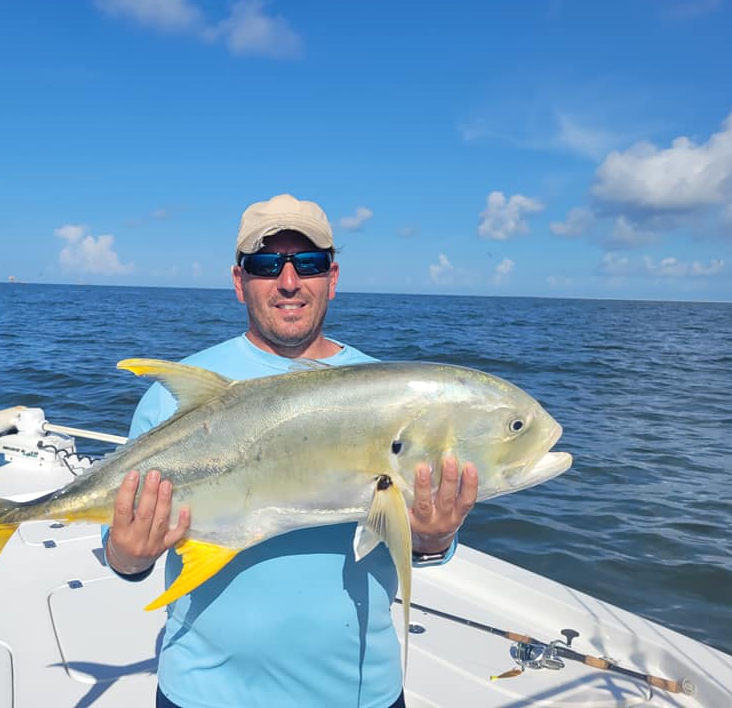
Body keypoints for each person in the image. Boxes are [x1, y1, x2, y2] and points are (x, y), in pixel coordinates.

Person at [102, 194, 479, 708]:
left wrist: (435, 536)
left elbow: (420, 541)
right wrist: (128, 552)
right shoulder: (171, 397)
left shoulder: (389, 395)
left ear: (333, 277)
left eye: (308, 263)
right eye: (264, 264)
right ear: (239, 282)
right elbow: (120, 555)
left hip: (358, 694)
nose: (288, 281)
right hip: (204, 693)